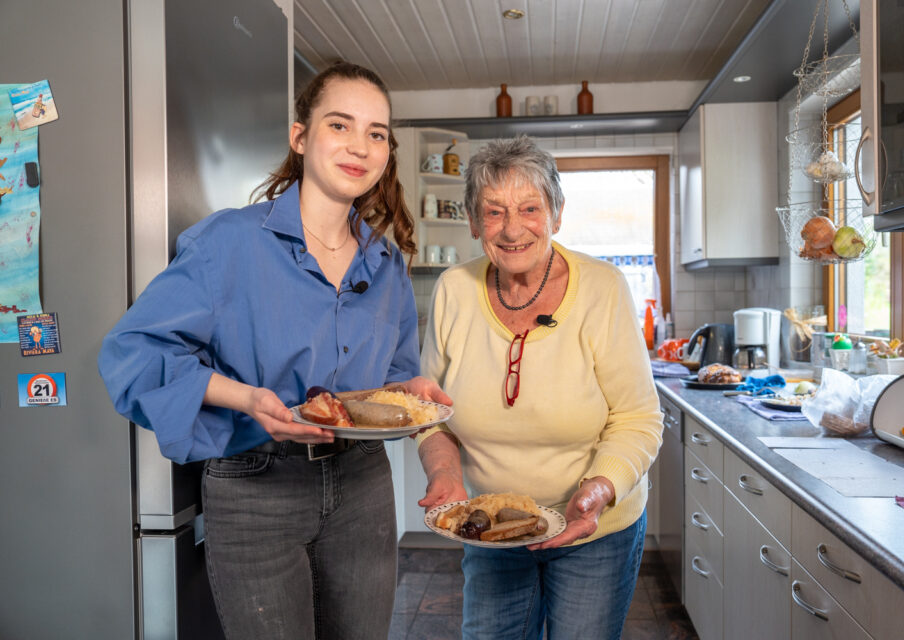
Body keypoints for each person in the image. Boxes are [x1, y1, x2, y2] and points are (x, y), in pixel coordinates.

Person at [98, 61, 450, 640]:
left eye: (377, 133)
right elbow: (132, 354)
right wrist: (246, 398)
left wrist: (409, 394)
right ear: (301, 137)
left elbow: (390, 381)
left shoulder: (385, 265)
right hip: (256, 484)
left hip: (363, 487)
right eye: (339, 125)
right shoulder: (230, 241)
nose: (360, 145)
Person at [416, 136, 663, 640]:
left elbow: (638, 418)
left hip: (595, 530)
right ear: (471, 220)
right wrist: (444, 474)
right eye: (493, 211)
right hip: (490, 527)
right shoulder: (454, 290)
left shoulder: (604, 288)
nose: (511, 228)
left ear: (556, 214)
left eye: (530, 207)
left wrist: (598, 490)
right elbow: (429, 410)